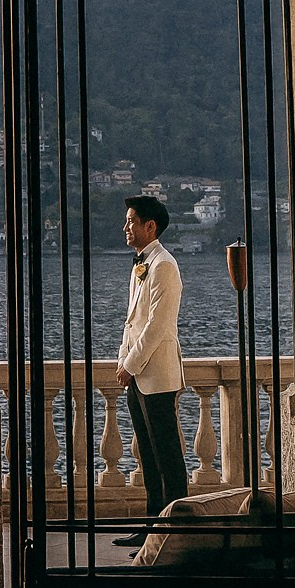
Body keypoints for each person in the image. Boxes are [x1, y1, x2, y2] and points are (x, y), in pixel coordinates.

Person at [114, 195, 187, 549]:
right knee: (147, 454)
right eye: (128, 221)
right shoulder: (142, 265)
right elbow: (133, 321)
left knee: (167, 459)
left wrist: (130, 366)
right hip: (138, 375)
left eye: (131, 221)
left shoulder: (164, 266)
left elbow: (157, 326)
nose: (126, 227)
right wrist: (122, 358)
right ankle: (150, 529)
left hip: (156, 375)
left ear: (150, 227)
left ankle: (175, 532)